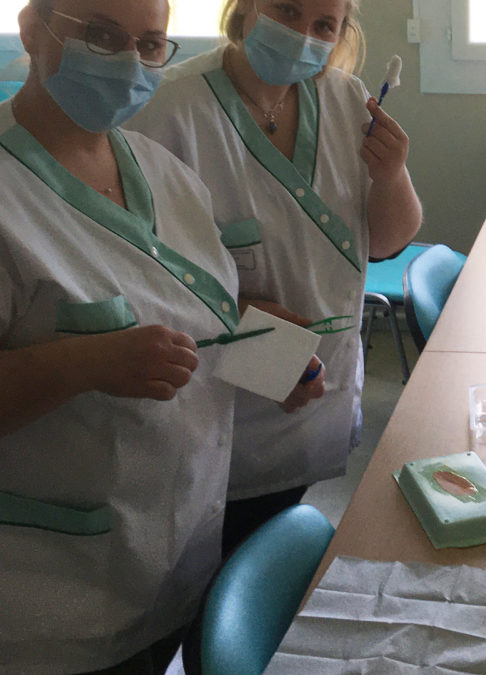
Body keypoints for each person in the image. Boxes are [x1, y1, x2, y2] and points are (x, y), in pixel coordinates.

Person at [128, 0, 422, 556]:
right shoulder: (169, 109)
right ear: (244, 11)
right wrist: (257, 340)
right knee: (215, 573)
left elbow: (385, 242)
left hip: (318, 399)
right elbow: (142, 276)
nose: (302, 35)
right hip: (222, 415)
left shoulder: (344, 99)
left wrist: (392, 174)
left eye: (323, 26)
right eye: (286, 11)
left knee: (275, 552)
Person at [0, 0, 241, 671]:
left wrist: (272, 356)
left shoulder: (162, 172)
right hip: (52, 596)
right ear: (31, 30)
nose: (129, 62)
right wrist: (85, 360)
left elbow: (197, 311)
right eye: (101, 36)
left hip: (175, 550)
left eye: (150, 43)